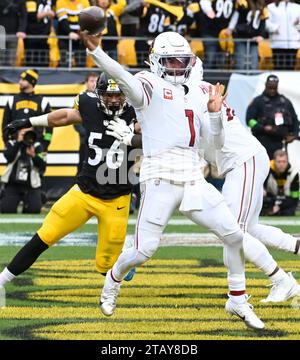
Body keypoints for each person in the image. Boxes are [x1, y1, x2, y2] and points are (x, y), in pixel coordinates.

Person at [83, 31, 267, 329]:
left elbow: (216, 143)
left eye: (181, 61)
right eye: (170, 60)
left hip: (193, 174)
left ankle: (237, 298)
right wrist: (97, 53)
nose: (176, 67)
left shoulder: (200, 89)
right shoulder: (149, 83)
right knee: (144, 250)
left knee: (233, 235)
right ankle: (114, 277)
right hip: (159, 175)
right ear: (157, 61)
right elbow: (124, 78)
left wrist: (216, 114)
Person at [107, 56, 300, 303]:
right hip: (243, 161)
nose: (172, 72)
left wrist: (131, 138)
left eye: (178, 67)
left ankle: (282, 281)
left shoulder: (195, 95)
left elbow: (175, 140)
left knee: (234, 233)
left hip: (243, 161)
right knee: (249, 229)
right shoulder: (196, 93)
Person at [0, 74, 142, 302]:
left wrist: (134, 135)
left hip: (117, 199)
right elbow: (65, 116)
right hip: (84, 192)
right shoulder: (88, 103)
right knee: (45, 235)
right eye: (109, 95)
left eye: (118, 95)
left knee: (105, 268)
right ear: (99, 95)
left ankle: (123, 257)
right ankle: (2, 281)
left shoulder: (138, 111)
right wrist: (29, 122)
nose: (115, 100)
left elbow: (158, 137)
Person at [246, 74, 299, 159]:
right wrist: (263, 128)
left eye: (274, 88)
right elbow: (249, 121)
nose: (272, 90)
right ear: (265, 85)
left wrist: (295, 135)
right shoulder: (257, 101)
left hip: (280, 144)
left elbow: (295, 120)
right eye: (269, 87)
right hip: (261, 143)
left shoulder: (285, 102)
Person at [2, 69, 53, 152]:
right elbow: (5, 125)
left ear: (31, 82)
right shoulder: (11, 100)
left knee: (38, 165)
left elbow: (50, 126)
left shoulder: (43, 101)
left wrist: (44, 145)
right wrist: (7, 143)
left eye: (23, 80)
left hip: (35, 145)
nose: (20, 82)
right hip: (16, 144)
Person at [1, 127, 46, 213]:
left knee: (34, 211)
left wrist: (33, 156)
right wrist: (18, 143)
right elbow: (8, 157)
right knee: (6, 210)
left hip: (31, 186)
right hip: (12, 184)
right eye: (23, 133)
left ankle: (37, 197)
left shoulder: (37, 146)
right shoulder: (12, 143)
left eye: (28, 133)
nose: (26, 136)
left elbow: (42, 165)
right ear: (18, 133)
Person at [225, 0, 268, 70]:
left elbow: (263, 22)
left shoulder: (263, 6)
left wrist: (261, 35)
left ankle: (252, 80)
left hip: (254, 39)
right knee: (240, 64)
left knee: (254, 64)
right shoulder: (242, 2)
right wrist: (230, 28)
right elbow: (236, 16)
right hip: (241, 37)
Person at [73, 72, 99, 174]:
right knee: (82, 166)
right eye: (92, 81)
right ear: (86, 83)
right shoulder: (81, 99)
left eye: (96, 81)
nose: (94, 84)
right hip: (85, 141)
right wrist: (86, 132)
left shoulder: (102, 98)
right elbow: (75, 121)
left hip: (100, 142)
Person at [263, 149, 299, 216]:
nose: (282, 164)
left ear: (287, 161)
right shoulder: (266, 170)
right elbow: (261, 192)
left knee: (289, 212)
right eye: (279, 162)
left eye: (284, 161)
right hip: (270, 198)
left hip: (286, 200)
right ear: (274, 161)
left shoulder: (294, 173)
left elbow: (295, 198)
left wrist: (279, 206)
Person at [266, 0, 300, 70]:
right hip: (277, 43)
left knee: (290, 68)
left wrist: (297, 25)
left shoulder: (297, 7)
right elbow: (266, 23)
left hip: (293, 43)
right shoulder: (271, 7)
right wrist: (276, 28)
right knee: (278, 68)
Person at [24, 0, 55, 67]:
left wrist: (52, 27)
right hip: (32, 35)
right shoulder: (31, 1)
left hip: (45, 35)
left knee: (44, 62)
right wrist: (47, 13)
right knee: (31, 62)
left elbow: (51, 16)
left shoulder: (49, 1)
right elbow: (32, 16)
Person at [0, 0, 27, 66]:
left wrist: (21, 30)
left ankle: (9, 76)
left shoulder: (20, 1)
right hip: (1, 33)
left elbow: (24, 16)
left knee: (11, 61)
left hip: (14, 34)